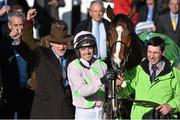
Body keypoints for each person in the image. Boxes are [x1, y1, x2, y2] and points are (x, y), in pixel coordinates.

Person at [116, 37, 180, 119]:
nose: (151, 56)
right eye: (149, 52)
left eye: (155, 52)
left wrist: (171, 106)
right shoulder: (138, 70)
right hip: (138, 118)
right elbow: (125, 92)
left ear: (163, 52)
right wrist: (121, 86)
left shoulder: (174, 73)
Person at [30, 20, 75, 119]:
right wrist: (28, 24)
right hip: (44, 112)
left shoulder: (73, 56)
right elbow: (27, 46)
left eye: (64, 43)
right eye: (58, 43)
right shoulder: (41, 55)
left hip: (67, 112)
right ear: (51, 42)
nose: (61, 47)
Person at [67, 31, 115, 120]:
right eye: (83, 49)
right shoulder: (73, 66)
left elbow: (108, 89)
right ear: (77, 50)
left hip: (102, 112)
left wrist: (115, 82)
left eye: (90, 48)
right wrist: (102, 80)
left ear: (94, 48)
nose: (87, 52)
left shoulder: (102, 65)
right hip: (84, 113)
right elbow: (83, 91)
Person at [0, 11, 34, 119]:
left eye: (21, 25)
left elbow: (32, 58)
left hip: (26, 92)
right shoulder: (4, 43)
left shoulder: (26, 42)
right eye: (15, 25)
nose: (19, 29)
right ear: (9, 26)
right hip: (8, 94)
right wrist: (10, 38)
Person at [74, 0, 111, 66]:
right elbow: (76, 45)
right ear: (90, 12)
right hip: (88, 62)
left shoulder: (109, 25)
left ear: (103, 12)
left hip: (106, 62)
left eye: (100, 11)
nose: (98, 14)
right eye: (95, 11)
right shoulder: (82, 26)